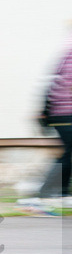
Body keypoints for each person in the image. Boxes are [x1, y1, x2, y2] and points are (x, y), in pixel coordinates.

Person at [37, 42, 72, 207]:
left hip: (59, 113)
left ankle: (60, 193)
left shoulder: (66, 54)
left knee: (68, 154)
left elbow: (53, 82)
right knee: (68, 154)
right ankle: (48, 192)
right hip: (66, 114)